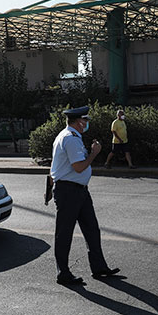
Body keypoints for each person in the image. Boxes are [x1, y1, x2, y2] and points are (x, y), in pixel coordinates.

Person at [50, 106, 120, 285]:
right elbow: (79, 167)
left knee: (92, 229)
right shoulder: (70, 139)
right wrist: (94, 153)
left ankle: (99, 267)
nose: (87, 123)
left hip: (78, 190)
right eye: (85, 120)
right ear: (78, 122)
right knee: (64, 233)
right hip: (69, 191)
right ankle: (63, 273)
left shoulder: (70, 136)